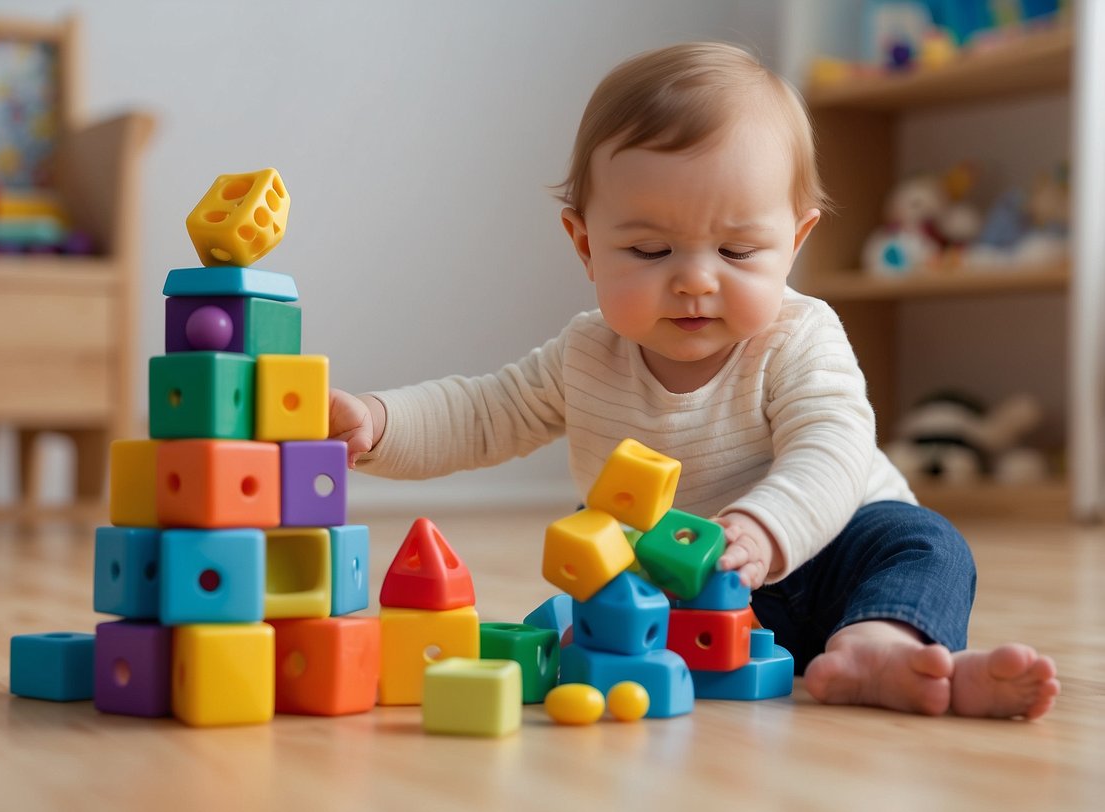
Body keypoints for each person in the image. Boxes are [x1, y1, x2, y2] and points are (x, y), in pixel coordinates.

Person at [327, 42, 1059, 719]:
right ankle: (736, 658)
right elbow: (483, 412)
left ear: (793, 243)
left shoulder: (797, 337)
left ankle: (881, 646)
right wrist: (380, 422)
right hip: (687, 590)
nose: (695, 282)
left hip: (830, 550)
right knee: (608, 609)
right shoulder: (586, 354)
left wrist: (765, 529)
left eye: (738, 251)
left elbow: (832, 445)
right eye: (649, 250)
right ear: (584, 245)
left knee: (927, 544)